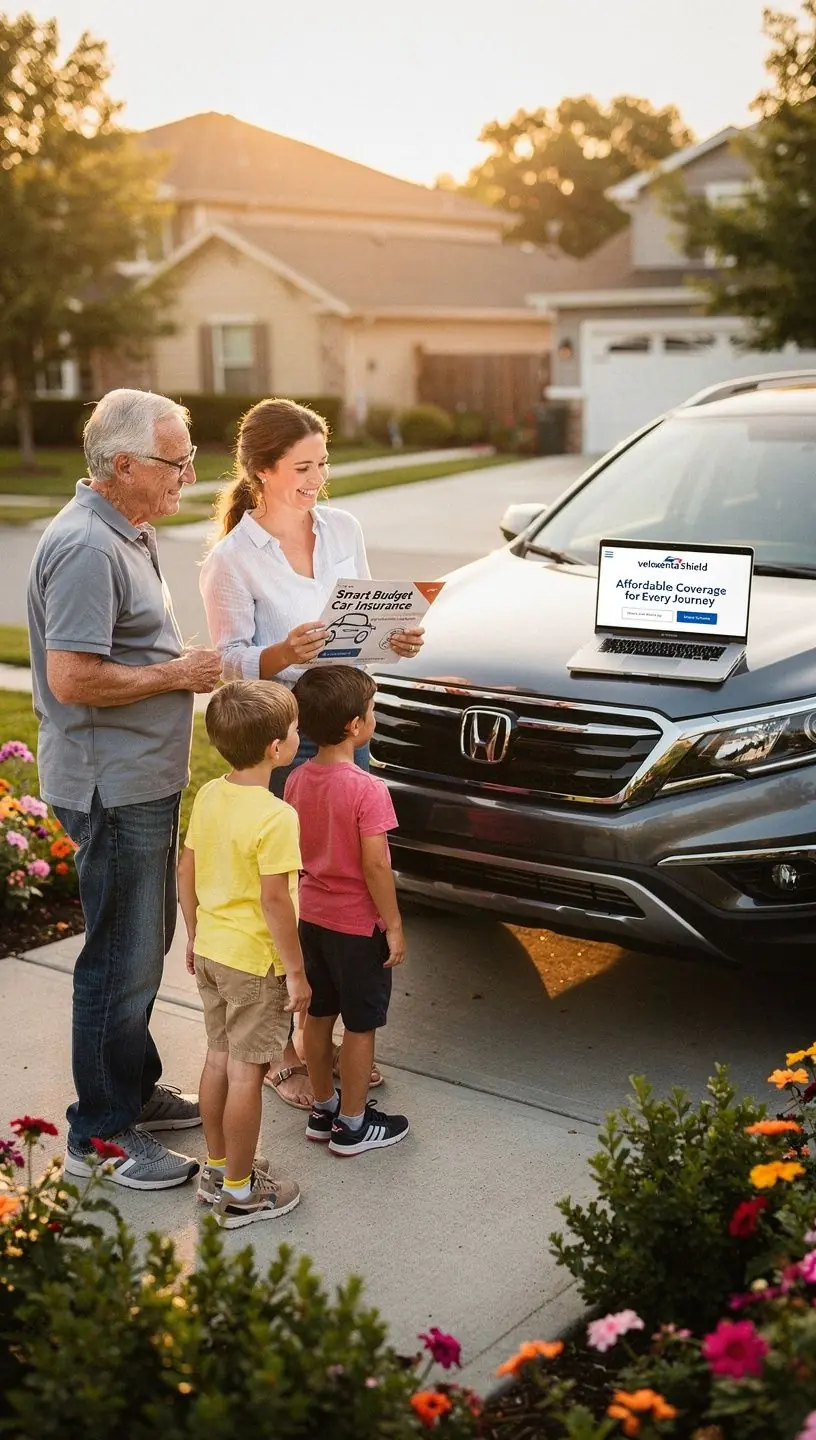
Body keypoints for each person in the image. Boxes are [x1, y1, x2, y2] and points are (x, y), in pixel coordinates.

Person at [199, 397, 424, 1108]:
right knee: (289, 893)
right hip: (284, 737)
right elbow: (229, 669)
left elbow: (361, 613)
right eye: (302, 467)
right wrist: (279, 652)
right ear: (260, 470)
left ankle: (325, 1037)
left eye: (323, 463)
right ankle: (293, 1049)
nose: (317, 478)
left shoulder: (343, 527)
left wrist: (399, 637)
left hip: (341, 727)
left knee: (338, 885)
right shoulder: (231, 561)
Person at [26, 388, 222, 1190]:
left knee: (144, 946)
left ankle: (132, 1089)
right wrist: (179, 673)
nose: (189, 474)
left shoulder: (127, 531)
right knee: (120, 958)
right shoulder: (86, 548)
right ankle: (101, 1135)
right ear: (126, 464)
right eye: (177, 461)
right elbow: (73, 679)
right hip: (113, 786)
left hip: (142, 778)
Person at [178, 680, 310, 1227]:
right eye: (295, 729)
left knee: (215, 1059)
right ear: (277, 749)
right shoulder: (277, 816)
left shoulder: (209, 793)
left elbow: (185, 870)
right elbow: (275, 899)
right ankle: (240, 1192)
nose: (298, 735)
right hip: (255, 964)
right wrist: (297, 972)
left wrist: (193, 934)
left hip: (210, 949)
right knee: (246, 1074)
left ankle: (215, 1169)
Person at [285, 666, 409, 1156]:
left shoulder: (296, 780)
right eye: (372, 710)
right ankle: (354, 1126)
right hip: (358, 925)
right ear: (356, 726)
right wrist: (394, 925)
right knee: (360, 1024)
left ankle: (324, 1109)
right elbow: (376, 865)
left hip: (310, 918)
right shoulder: (367, 789)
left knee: (317, 1015)